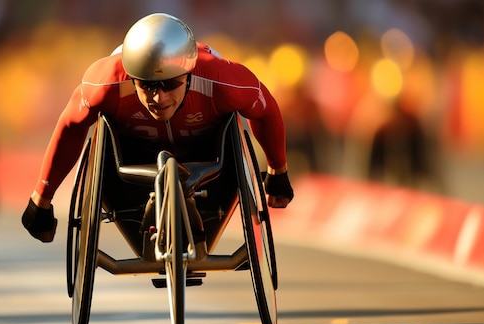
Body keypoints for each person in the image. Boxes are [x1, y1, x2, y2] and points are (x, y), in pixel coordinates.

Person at [22, 13, 294, 245]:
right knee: (101, 141)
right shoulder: (105, 83)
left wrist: (277, 170)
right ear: (131, 77)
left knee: (232, 134)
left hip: (209, 155)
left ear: (189, 74)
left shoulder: (224, 80)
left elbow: (267, 111)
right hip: (130, 157)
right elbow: (71, 125)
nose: (159, 98)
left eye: (170, 85)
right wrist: (41, 199)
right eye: (147, 86)